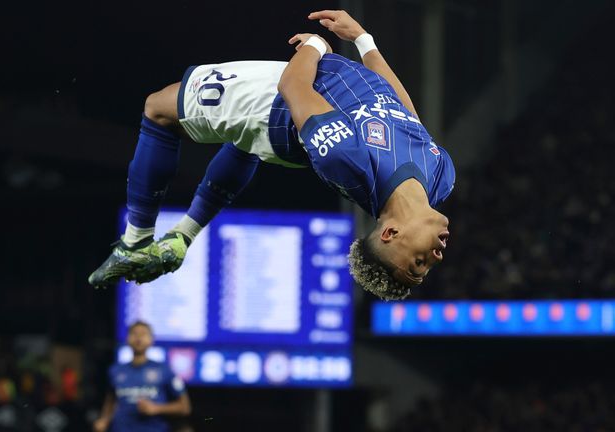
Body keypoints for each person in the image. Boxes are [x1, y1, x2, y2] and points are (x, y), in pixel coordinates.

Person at [88, 10, 455, 300]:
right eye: (424, 264)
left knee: (157, 109)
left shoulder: (350, 161)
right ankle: (184, 234)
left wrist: (315, 45)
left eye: (418, 262)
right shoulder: (440, 177)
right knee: (245, 144)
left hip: (273, 105)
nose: (435, 258)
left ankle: (134, 241)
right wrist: (363, 41)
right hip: (299, 126)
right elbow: (404, 114)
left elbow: (292, 85)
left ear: (390, 233)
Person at [93, 321, 191, 432]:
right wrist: (104, 420)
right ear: (127, 339)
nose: (138, 338)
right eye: (134, 334)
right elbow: (111, 400)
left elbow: (185, 407)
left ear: (151, 340)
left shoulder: (164, 370)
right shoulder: (115, 371)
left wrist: (156, 409)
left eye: (143, 334)